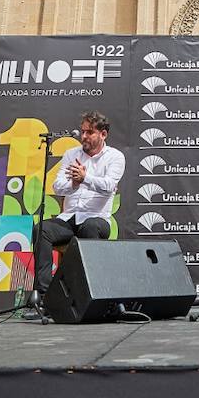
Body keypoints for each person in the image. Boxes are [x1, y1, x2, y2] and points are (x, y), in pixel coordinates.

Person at [34, 112, 125, 300]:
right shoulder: (71, 155)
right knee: (40, 230)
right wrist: (74, 184)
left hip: (97, 218)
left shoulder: (115, 157)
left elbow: (109, 187)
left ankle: (89, 294)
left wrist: (85, 179)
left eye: (89, 132)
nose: (83, 137)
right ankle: (45, 296)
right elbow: (57, 186)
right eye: (82, 132)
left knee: (90, 227)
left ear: (103, 134)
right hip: (69, 218)